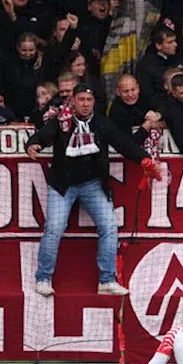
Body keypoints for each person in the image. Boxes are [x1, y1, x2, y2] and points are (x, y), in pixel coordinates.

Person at [25, 84, 160, 297]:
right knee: (54, 228)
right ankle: (43, 277)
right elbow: (43, 135)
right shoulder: (61, 122)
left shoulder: (102, 123)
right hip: (63, 185)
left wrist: (144, 159)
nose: (85, 104)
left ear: (93, 102)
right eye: (81, 100)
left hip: (92, 185)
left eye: (88, 100)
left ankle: (107, 280)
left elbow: (123, 143)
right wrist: (33, 145)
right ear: (73, 101)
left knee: (109, 226)